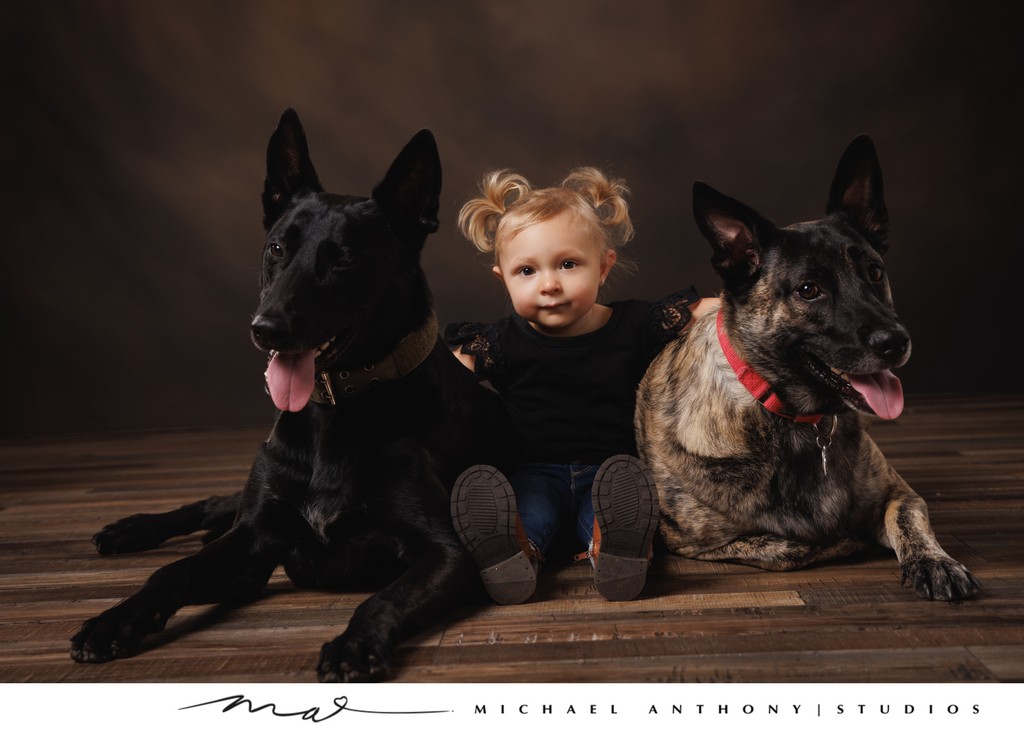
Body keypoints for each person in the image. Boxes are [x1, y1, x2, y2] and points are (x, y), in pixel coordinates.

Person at [446, 166, 713, 604]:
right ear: (503, 279)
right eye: (527, 271)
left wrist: (760, 302)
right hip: (534, 471)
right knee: (526, 514)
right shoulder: (497, 342)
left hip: (613, 472)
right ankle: (512, 556)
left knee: (613, 513)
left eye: (568, 265)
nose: (549, 284)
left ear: (604, 267)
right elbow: (445, 383)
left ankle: (616, 551)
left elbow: (707, 310)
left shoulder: (636, 324)